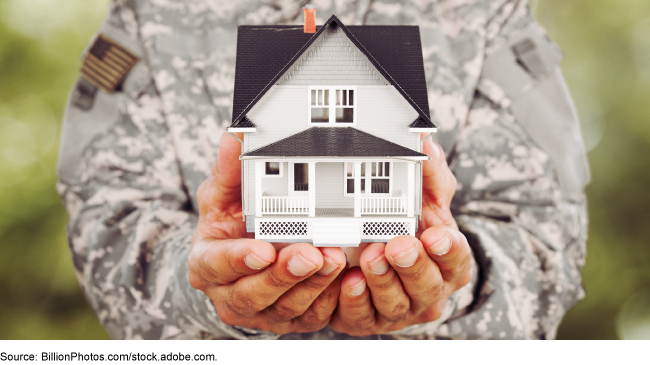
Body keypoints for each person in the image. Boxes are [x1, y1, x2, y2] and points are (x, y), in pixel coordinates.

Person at [57, 0, 590, 340]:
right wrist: (197, 279)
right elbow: (105, 218)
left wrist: (457, 283)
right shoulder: (151, 12)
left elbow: (545, 238)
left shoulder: (485, 11)